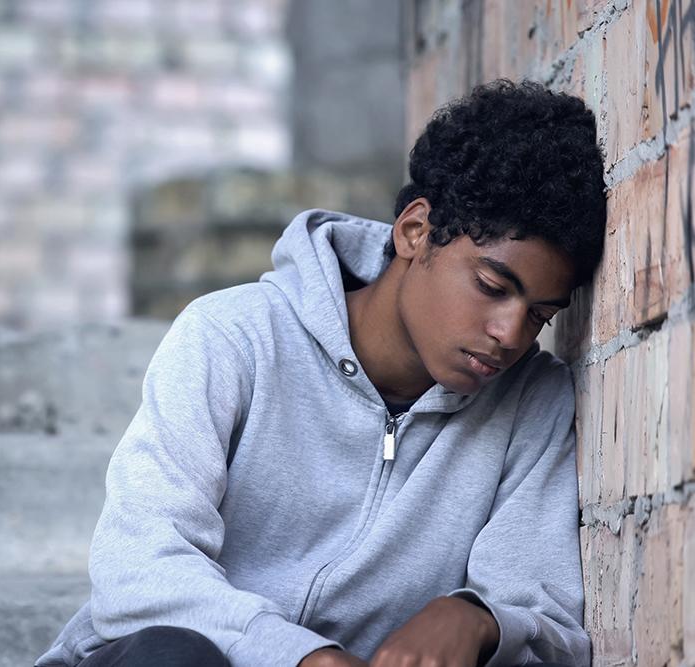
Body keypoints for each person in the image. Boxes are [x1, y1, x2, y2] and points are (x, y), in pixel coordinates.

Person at [36, 78, 607, 667]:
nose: (510, 334)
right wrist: (301, 656)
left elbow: (548, 622)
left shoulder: (531, 402)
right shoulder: (232, 337)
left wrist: (480, 619)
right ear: (415, 232)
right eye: (491, 287)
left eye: (540, 314)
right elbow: (138, 568)